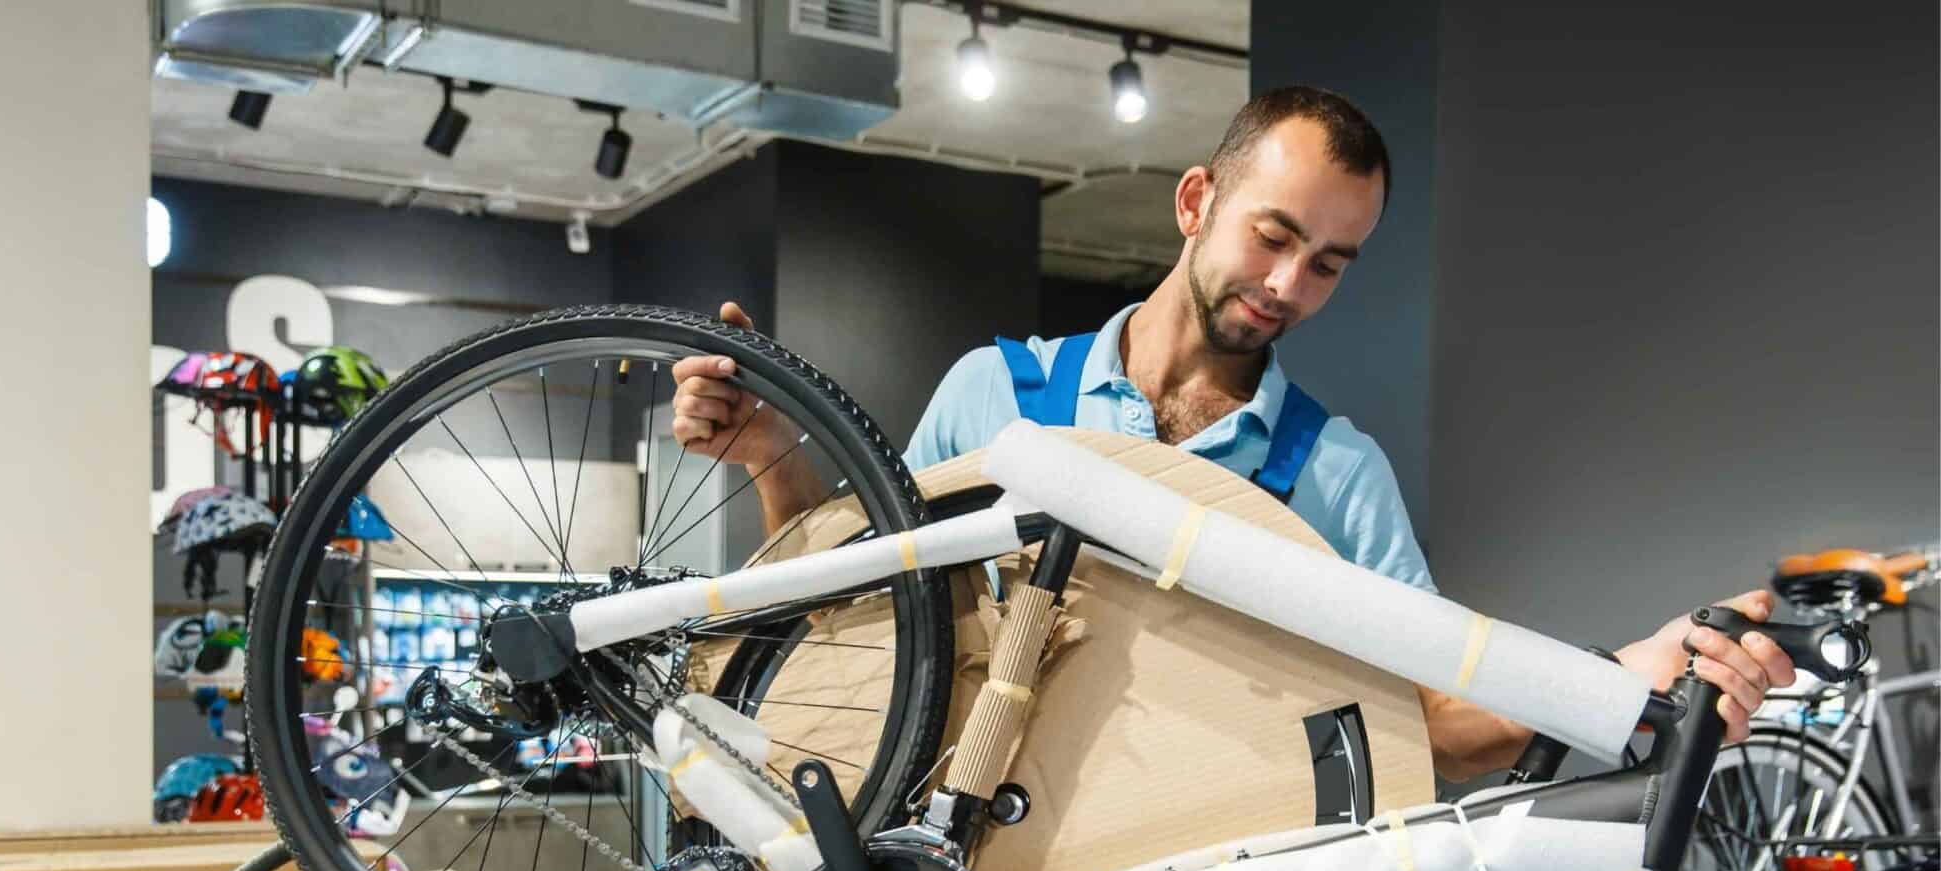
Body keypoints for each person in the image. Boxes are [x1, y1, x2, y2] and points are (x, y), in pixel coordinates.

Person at [669, 87, 1793, 781]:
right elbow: (848, 622)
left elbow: (1437, 716)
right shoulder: (996, 394)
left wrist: (1621, 676)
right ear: (1195, 200)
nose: (1287, 284)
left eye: (1328, 264)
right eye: (1272, 236)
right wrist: (775, 456)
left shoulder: (1337, 473)